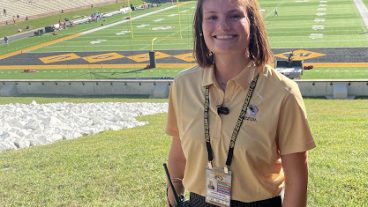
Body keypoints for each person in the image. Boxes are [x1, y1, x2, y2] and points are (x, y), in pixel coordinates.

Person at [166, 0, 316, 206]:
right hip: (198, 201)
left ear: (252, 22)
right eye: (212, 17)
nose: (223, 26)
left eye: (234, 15)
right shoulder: (183, 85)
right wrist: (173, 196)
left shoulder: (283, 92)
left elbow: (297, 179)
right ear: (200, 25)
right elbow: (178, 153)